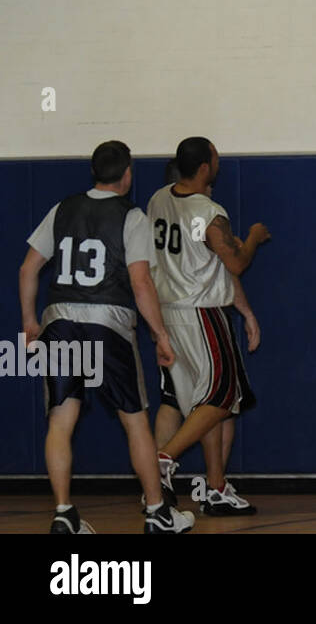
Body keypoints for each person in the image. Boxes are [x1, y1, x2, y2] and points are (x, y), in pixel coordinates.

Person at [18, 140, 194, 533]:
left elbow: (28, 269)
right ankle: (156, 513)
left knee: (61, 420)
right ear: (128, 174)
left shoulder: (62, 209)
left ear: (94, 172)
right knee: (134, 421)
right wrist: (161, 335)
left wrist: (30, 323)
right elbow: (141, 282)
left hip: (60, 319)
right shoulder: (131, 217)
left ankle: (64, 512)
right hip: (107, 323)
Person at [147, 137, 269, 514]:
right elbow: (235, 265)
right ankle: (163, 460)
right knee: (220, 397)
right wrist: (253, 237)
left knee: (205, 404)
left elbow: (214, 266)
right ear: (205, 167)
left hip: (168, 309)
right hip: (201, 314)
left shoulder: (157, 199)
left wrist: (246, 312)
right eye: (215, 158)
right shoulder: (211, 212)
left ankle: (215, 487)